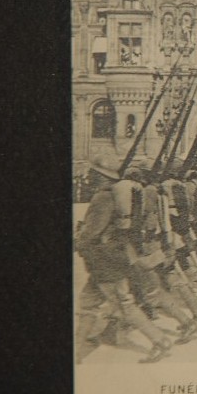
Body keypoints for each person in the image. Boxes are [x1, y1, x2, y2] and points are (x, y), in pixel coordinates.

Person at [76, 155, 178, 364]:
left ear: (100, 175)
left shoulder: (103, 197)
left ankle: (159, 341)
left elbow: (91, 233)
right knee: (87, 303)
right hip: (111, 257)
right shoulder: (122, 194)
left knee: (125, 305)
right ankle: (77, 348)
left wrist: (78, 240)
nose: (89, 176)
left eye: (93, 173)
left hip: (103, 259)